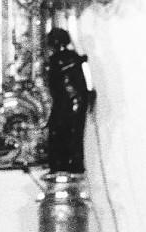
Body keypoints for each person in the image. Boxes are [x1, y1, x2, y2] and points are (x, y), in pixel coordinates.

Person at [45, 27, 95, 174]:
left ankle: (64, 165)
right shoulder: (74, 58)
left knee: (63, 134)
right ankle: (70, 164)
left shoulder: (59, 60)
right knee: (71, 135)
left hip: (66, 104)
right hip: (72, 103)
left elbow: (57, 86)